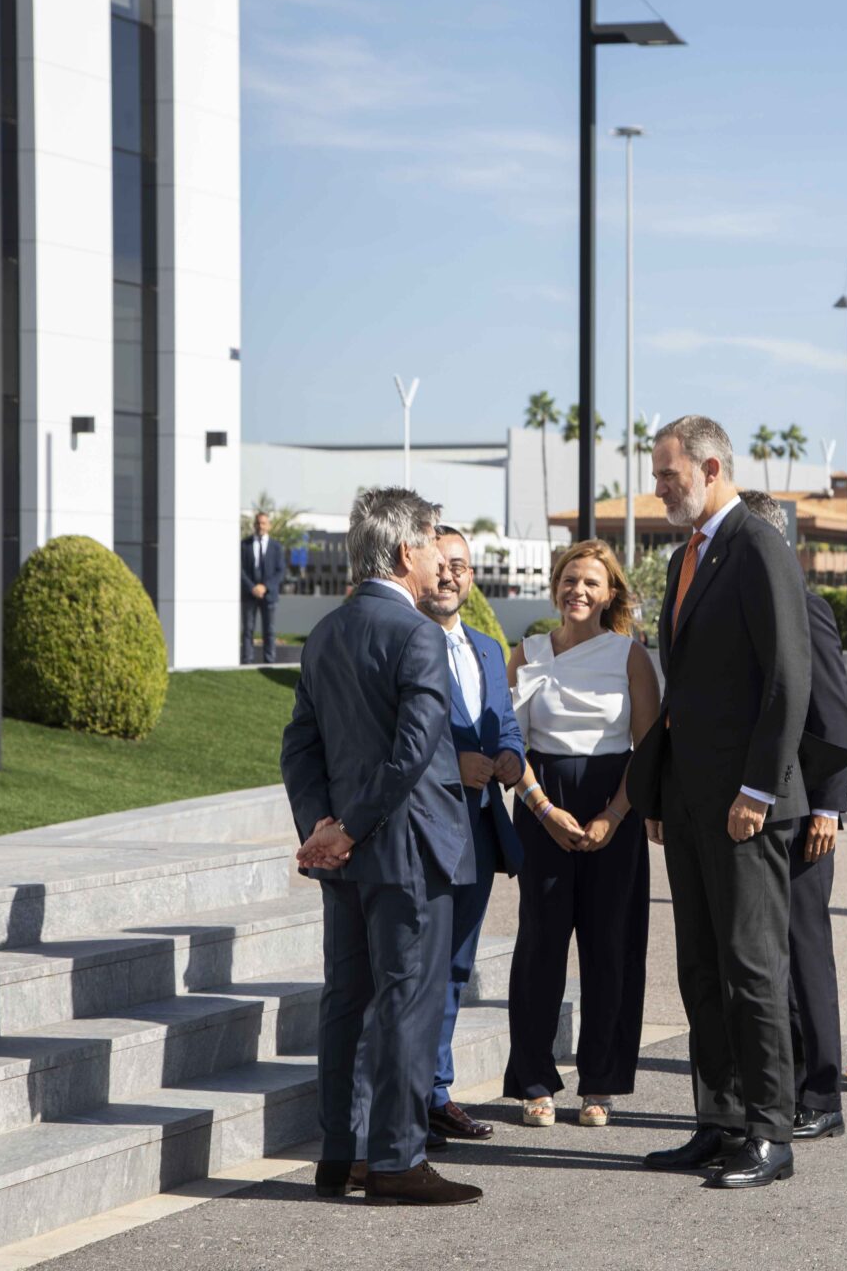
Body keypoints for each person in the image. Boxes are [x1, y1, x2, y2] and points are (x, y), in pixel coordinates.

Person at [279, 488, 481, 1206]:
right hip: (408, 852)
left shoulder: (328, 633)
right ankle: (394, 1159)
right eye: (433, 542)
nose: (440, 557)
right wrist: (346, 829)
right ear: (406, 551)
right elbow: (415, 751)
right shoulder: (417, 633)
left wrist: (321, 827)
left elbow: (298, 745)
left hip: (351, 857)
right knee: (407, 1005)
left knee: (349, 1003)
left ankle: (343, 1155)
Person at [629, 416, 812, 1190]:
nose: (660, 487)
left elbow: (786, 676)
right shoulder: (684, 559)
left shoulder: (757, 545)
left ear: (709, 466)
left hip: (747, 804)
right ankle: (720, 1119)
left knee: (752, 967)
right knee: (701, 969)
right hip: (693, 800)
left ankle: (770, 1131)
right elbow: (684, 692)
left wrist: (757, 790)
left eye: (668, 475)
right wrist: (665, 790)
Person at [504, 540, 660, 1129]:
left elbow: (647, 750)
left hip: (611, 811)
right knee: (540, 947)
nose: (578, 591)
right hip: (543, 809)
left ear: (610, 593)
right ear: (555, 586)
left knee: (610, 950)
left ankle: (600, 1083)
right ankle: (534, 1081)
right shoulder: (526, 653)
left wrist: (614, 816)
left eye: (591, 582)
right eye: (570, 579)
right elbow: (509, 743)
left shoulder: (630, 657)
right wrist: (542, 808)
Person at [738, 490, 847, 1142]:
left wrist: (830, 805)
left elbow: (834, 715)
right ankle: (785, 1086)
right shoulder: (749, 610)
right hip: (759, 810)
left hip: (807, 810)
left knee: (804, 948)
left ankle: (823, 1093)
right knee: (769, 953)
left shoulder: (806, 609)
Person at [419, 526, 526, 1146]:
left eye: (461, 565)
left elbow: (505, 723)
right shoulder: (408, 642)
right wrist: (450, 765)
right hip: (429, 830)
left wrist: (509, 757)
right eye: (442, 564)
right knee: (423, 970)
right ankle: (413, 1098)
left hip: (482, 829)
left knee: (456, 968)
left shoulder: (488, 647)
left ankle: (437, 1093)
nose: (452, 575)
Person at [240, 510, 287, 664]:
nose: (260, 526)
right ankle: (247, 660)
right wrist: (252, 587)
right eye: (258, 523)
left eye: (263, 523)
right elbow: (239, 569)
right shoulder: (244, 545)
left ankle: (269, 661)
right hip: (249, 594)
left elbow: (280, 571)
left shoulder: (276, 547)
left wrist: (265, 587)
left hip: (269, 594)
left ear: (269, 526)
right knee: (248, 630)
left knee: (270, 630)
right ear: (254, 525)